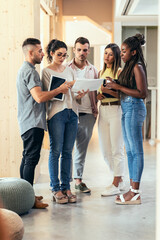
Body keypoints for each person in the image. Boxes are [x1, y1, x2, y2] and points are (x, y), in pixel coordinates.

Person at [17, 38, 69, 208]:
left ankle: (27, 195)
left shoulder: (25, 70)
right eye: (39, 51)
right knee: (31, 159)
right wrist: (59, 90)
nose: (43, 53)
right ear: (30, 52)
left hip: (28, 121)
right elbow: (39, 97)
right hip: (33, 122)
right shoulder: (30, 72)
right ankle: (28, 200)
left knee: (27, 158)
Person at [42, 39, 86, 204]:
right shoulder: (46, 71)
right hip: (56, 114)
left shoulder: (69, 70)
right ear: (51, 53)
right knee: (55, 151)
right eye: (59, 54)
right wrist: (59, 90)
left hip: (72, 113)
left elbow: (73, 94)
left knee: (68, 152)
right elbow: (46, 96)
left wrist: (79, 96)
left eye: (64, 55)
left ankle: (66, 186)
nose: (62, 57)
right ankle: (55, 188)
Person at [105, 34, 147, 205]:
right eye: (121, 51)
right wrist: (113, 83)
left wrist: (117, 86)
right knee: (129, 151)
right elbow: (128, 87)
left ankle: (135, 193)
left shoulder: (137, 67)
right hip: (126, 108)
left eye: (124, 51)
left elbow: (142, 93)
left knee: (136, 151)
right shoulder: (129, 66)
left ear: (134, 52)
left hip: (134, 108)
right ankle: (132, 190)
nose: (121, 54)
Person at [68, 37, 98, 193]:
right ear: (74, 50)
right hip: (70, 113)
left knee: (81, 149)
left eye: (85, 50)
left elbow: (96, 92)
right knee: (66, 149)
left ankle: (78, 180)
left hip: (87, 114)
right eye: (79, 49)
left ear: (88, 51)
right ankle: (65, 183)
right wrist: (75, 97)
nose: (82, 53)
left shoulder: (93, 70)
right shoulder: (66, 68)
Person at [97, 43, 125, 196]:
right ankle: (119, 179)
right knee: (105, 150)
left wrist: (110, 91)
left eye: (110, 54)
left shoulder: (119, 72)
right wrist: (98, 95)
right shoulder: (101, 71)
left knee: (117, 149)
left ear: (116, 56)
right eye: (105, 53)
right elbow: (99, 90)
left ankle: (116, 182)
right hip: (103, 110)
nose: (107, 56)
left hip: (116, 110)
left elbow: (123, 95)